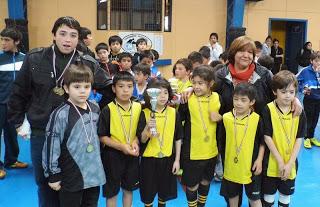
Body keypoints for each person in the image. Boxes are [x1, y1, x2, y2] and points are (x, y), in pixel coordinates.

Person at [7, 16, 112, 207]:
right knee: (46, 185)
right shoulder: (35, 58)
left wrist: (96, 115)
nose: (67, 39)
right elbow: (18, 93)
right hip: (42, 132)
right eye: (62, 33)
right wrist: (18, 122)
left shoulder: (87, 62)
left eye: (73, 35)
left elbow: (109, 89)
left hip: (78, 134)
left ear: (78, 38)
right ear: (54, 35)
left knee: (76, 184)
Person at [42, 63, 106, 207]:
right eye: (77, 87)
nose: (82, 91)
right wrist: (53, 174)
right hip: (71, 174)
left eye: (87, 87)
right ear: (66, 88)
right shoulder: (60, 114)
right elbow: (51, 145)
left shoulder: (95, 107)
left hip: (94, 174)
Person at [261, 70, 306, 207]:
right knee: (268, 195)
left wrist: (290, 163)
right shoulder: (268, 109)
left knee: (285, 195)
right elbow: (267, 136)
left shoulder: (299, 111)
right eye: (284, 92)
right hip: (271, 162)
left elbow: (299, 138)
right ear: (275, 92)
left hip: (290, 163)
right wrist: (280, 162)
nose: (288, 96)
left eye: (291, 92)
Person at [179, 66, 222, 207]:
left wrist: (220, 118)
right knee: (192, 185)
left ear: (210, 84)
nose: (196, 87)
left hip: (211, 150)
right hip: (192, 151)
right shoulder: (187, 98)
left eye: (200, 83)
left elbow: (229, 118)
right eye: (194, 83)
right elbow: (179, 121)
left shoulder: (218, 98)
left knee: (206, 181)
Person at [98, 71, 141, 207]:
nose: (125, 90)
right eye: (121, 86)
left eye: (129, 86)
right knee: (112, 191)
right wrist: (121, 147)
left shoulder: (138, 106)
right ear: (113, 88)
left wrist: (135, 142)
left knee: (129, 189)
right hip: (112, 156)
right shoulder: (107, 109)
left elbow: (139, 132)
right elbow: (102, 137)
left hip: (132, 154)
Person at [137, 78, 182, 207]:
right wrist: (147, 128)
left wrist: (177, 160)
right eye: (158, 93)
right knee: (148, 195)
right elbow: (143, 139)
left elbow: (178, 138)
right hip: (148, 160)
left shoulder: (174, 113)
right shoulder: (144, 113)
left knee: (164, 194)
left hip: (168, 159)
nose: (162, 96)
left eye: (165, 93)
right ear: (150, 95)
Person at [219, 83, 264, 207]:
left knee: (254, 198)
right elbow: (221, 141)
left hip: (251, 166)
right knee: (232, 196)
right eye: (236, 99)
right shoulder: (226, 118)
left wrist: (259, 160)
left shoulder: (257, 119)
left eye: (243, 100)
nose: (238, 103)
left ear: (252, 101)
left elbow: (262, 142)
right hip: (230, 167)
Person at [0, 27, 28, 179]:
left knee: (11, 134)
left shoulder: (25, 59)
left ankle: (11, 160)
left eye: (7, 40)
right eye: (2, 39)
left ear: (16, 41)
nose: (3, 43)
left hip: (15, 105)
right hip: (0, 103)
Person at [297, 51, 320, 149]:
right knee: (309, 118)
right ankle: (306, 137)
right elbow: (296, 81)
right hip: (309, 99)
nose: (318, 63)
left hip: (318, 99)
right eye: (316, 61)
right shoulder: (305, 71)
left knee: (315, 118)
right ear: (311, 61)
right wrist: (302, 89)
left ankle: (311, 136)